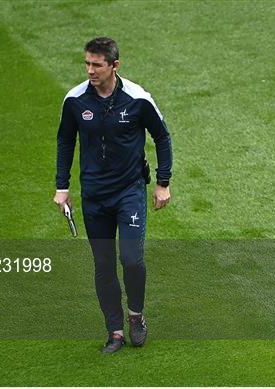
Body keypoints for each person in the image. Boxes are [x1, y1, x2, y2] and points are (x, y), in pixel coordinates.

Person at [53, 37, 172, 353]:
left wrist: (162, 182)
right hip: (94, 197)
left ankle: (136, 315)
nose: (90, 70)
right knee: (103, 264)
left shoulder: (137, 99)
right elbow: (65, 141)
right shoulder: (75, 100)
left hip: (129, 191)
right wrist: (62, 187)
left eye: (97, 64)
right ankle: (114, 332)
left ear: (114, 66)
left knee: (131, 259)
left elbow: (162, 136)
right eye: (87, 63)